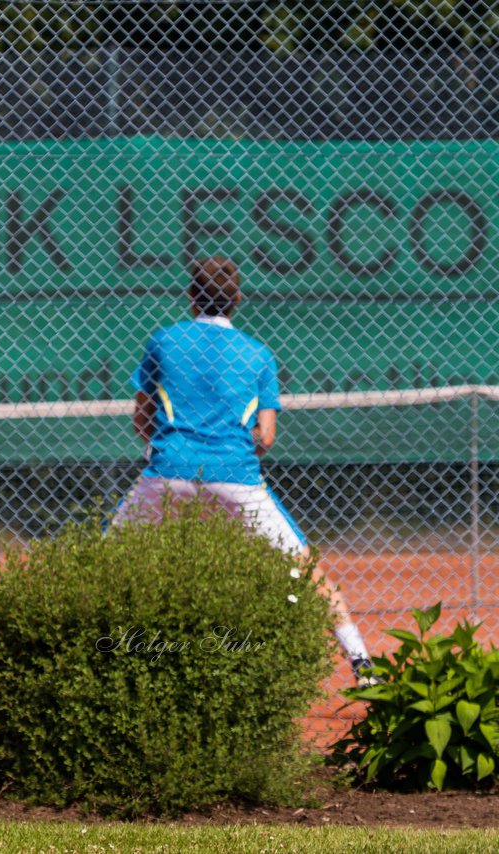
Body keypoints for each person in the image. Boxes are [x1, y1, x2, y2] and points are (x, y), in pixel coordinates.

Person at [110, 258, 374, 685]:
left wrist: (168, 448)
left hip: (167, 470)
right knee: (303, 570)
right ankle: (362, 665)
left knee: (106, 560)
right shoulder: (258, 355)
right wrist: (228, 449)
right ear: (237, 300)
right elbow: (266, 437)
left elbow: (142, 419)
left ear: (191, 296)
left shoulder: (164, 341)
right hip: (237, 477)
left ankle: (86, 655)